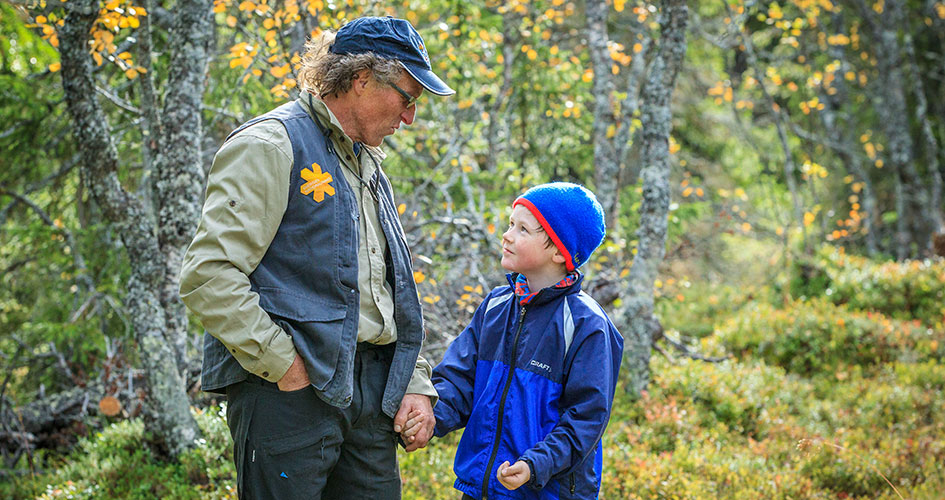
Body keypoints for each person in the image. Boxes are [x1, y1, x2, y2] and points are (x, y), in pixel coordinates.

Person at [178, 16, 453, 500]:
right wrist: (286, 367)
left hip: (368, 398)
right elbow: (209, 276)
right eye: (408, 97)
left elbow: (382, 287)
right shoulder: (270, 144)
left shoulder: (366, 162)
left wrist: (412, 379)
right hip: (286, 396)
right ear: (362, 78)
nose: (410, 116)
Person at [429, 182, 624, 499]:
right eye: (510, 224)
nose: (507, 235)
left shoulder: (586, 325)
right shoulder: (495, 306)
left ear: (560, 251)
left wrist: (535, 465)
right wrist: (429, 417)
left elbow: (586, 418)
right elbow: (459, 379)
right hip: (482, 488)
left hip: (546, 489)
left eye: (523, 229)